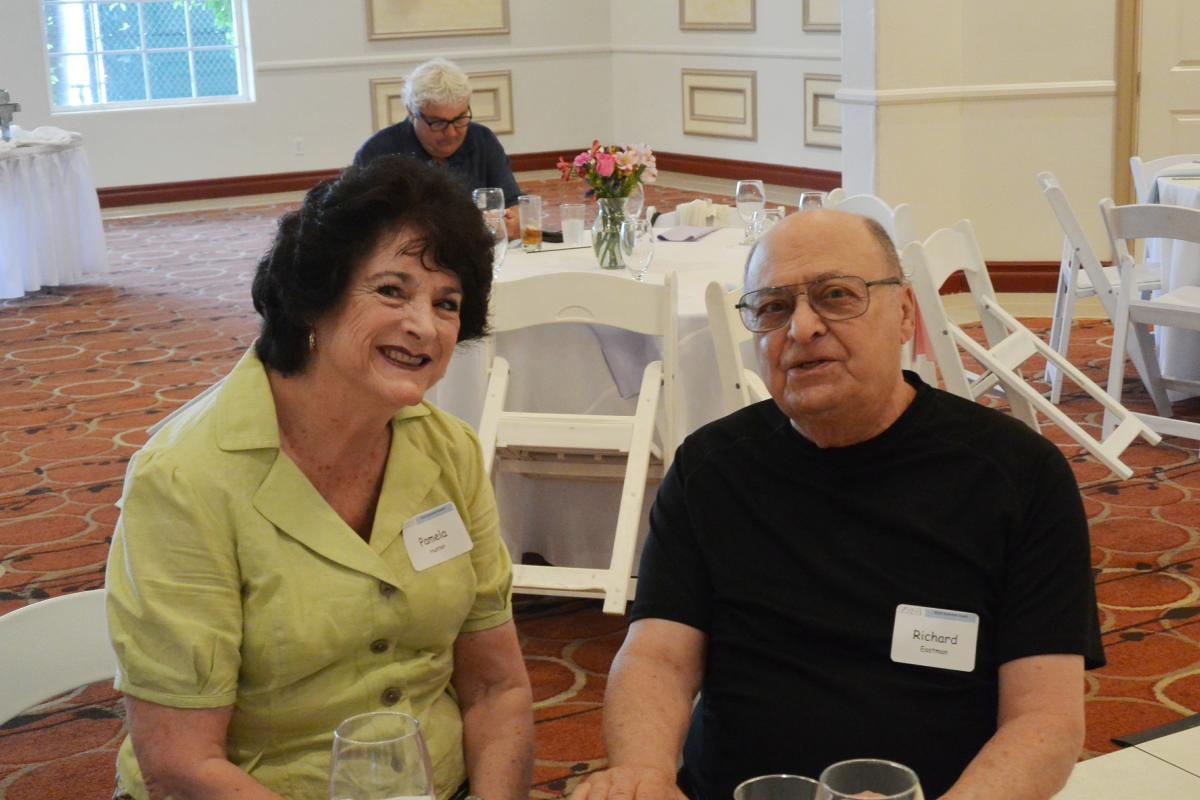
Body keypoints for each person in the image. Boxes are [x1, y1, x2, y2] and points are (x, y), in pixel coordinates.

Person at [572, 210, 1105, 800]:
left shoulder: (1017, 476)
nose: (802, 328)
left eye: (836, 296)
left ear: (905, 314)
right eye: (773, 307)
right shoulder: (711, 469)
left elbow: (1044, 718)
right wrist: (644, 772)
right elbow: (658, 658)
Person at [105, 156, 534, 800]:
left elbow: (496, 688)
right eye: (391, 291)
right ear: (314, 297)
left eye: (446, 304)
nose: (424, 326)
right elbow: (181, 762)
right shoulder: (185, 479)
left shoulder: (451, 452)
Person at [354, 58, 522, 240]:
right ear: (411, 113)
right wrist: (474, 226)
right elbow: (367, 229)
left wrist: (514, 220)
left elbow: (513, 206)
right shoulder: (378, 154)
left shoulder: (482, 140)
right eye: (438, 122)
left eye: (459, 119)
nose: (451, 133)